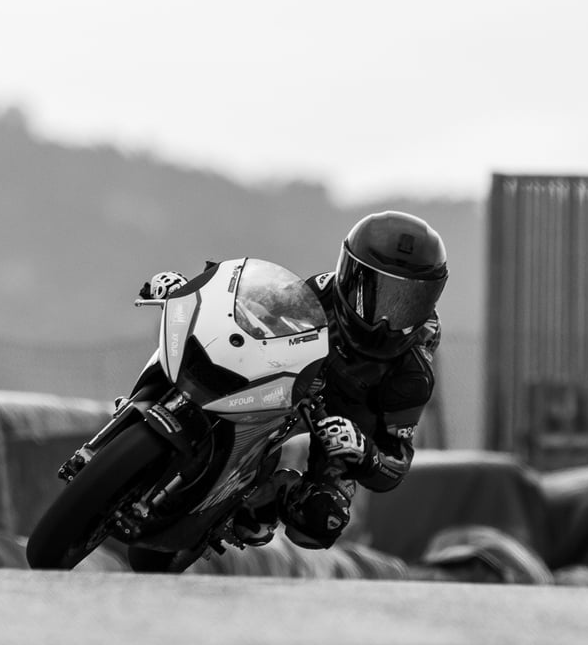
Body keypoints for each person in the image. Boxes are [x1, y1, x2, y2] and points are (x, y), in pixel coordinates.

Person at [144, 210, 448, 551]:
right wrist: (190, 292)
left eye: (406, 302)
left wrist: (364, 451)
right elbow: (245, 305)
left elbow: (396, 464)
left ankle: (268, 495)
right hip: (288, 378)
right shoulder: (320, 291)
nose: (385, 319)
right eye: (376, 293)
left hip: (340, 421)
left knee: (322, 520)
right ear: (350, 274)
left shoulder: (413, 373)